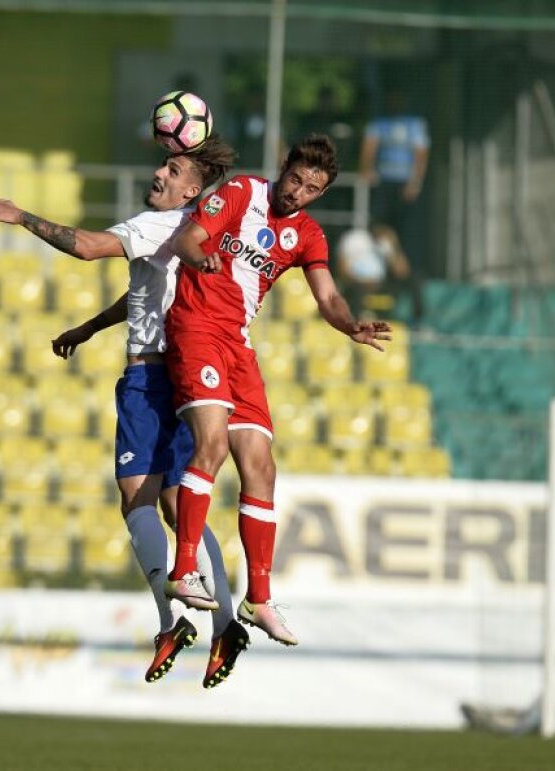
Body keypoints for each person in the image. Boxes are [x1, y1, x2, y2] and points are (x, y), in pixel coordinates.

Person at [0, 136, 250, 689]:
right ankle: (226, 622)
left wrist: (21, 215)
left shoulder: (154, 224)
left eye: (172, 168)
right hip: (193, 373)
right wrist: (90, 327)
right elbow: (147, 293)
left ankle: (171, 622)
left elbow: (89, 246)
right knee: (178, 502)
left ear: (193, 188)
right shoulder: (197, 232)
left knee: (136, 496)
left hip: (150, 379)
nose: (160, 174)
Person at [162, 134, 391, 645]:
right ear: (282, 169)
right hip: (195, 328)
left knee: (261, 465)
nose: (299, 193)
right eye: (295, 179)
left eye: (312, 188)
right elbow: (186, 240)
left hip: (237, 345)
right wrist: (202, 259)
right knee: (213, 444)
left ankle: (258, 597)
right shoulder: (243, 192)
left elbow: (327, 295)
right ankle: (183, 570)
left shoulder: (307, 234)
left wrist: (350, 324)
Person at [359, 88, 429, 326]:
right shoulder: (380, 123)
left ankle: (414, 299)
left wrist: (415, 181)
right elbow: (369, 146)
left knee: (408, 246)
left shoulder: (415, 124)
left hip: (404, 188)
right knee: (379, 230)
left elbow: (421, 152)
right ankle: (389, 267)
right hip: (385, 185)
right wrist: (367, 170)